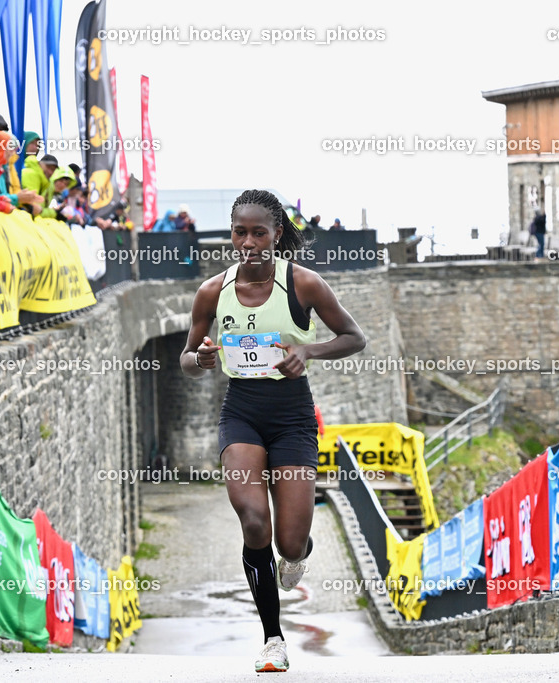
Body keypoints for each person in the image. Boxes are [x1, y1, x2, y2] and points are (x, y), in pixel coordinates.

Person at [179, 189, 366, 673]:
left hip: (293, 419)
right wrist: (199, 358)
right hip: (241, 412)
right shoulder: (211, 292)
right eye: (239, 232)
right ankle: (273, 640)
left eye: (258, 232)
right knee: (253, 521)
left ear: (276, 234)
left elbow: (354, 337)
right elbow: (187, 358)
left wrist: (308, 351)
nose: (248, 242)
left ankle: (297, 552)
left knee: (288, 542)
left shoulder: (302, 285)